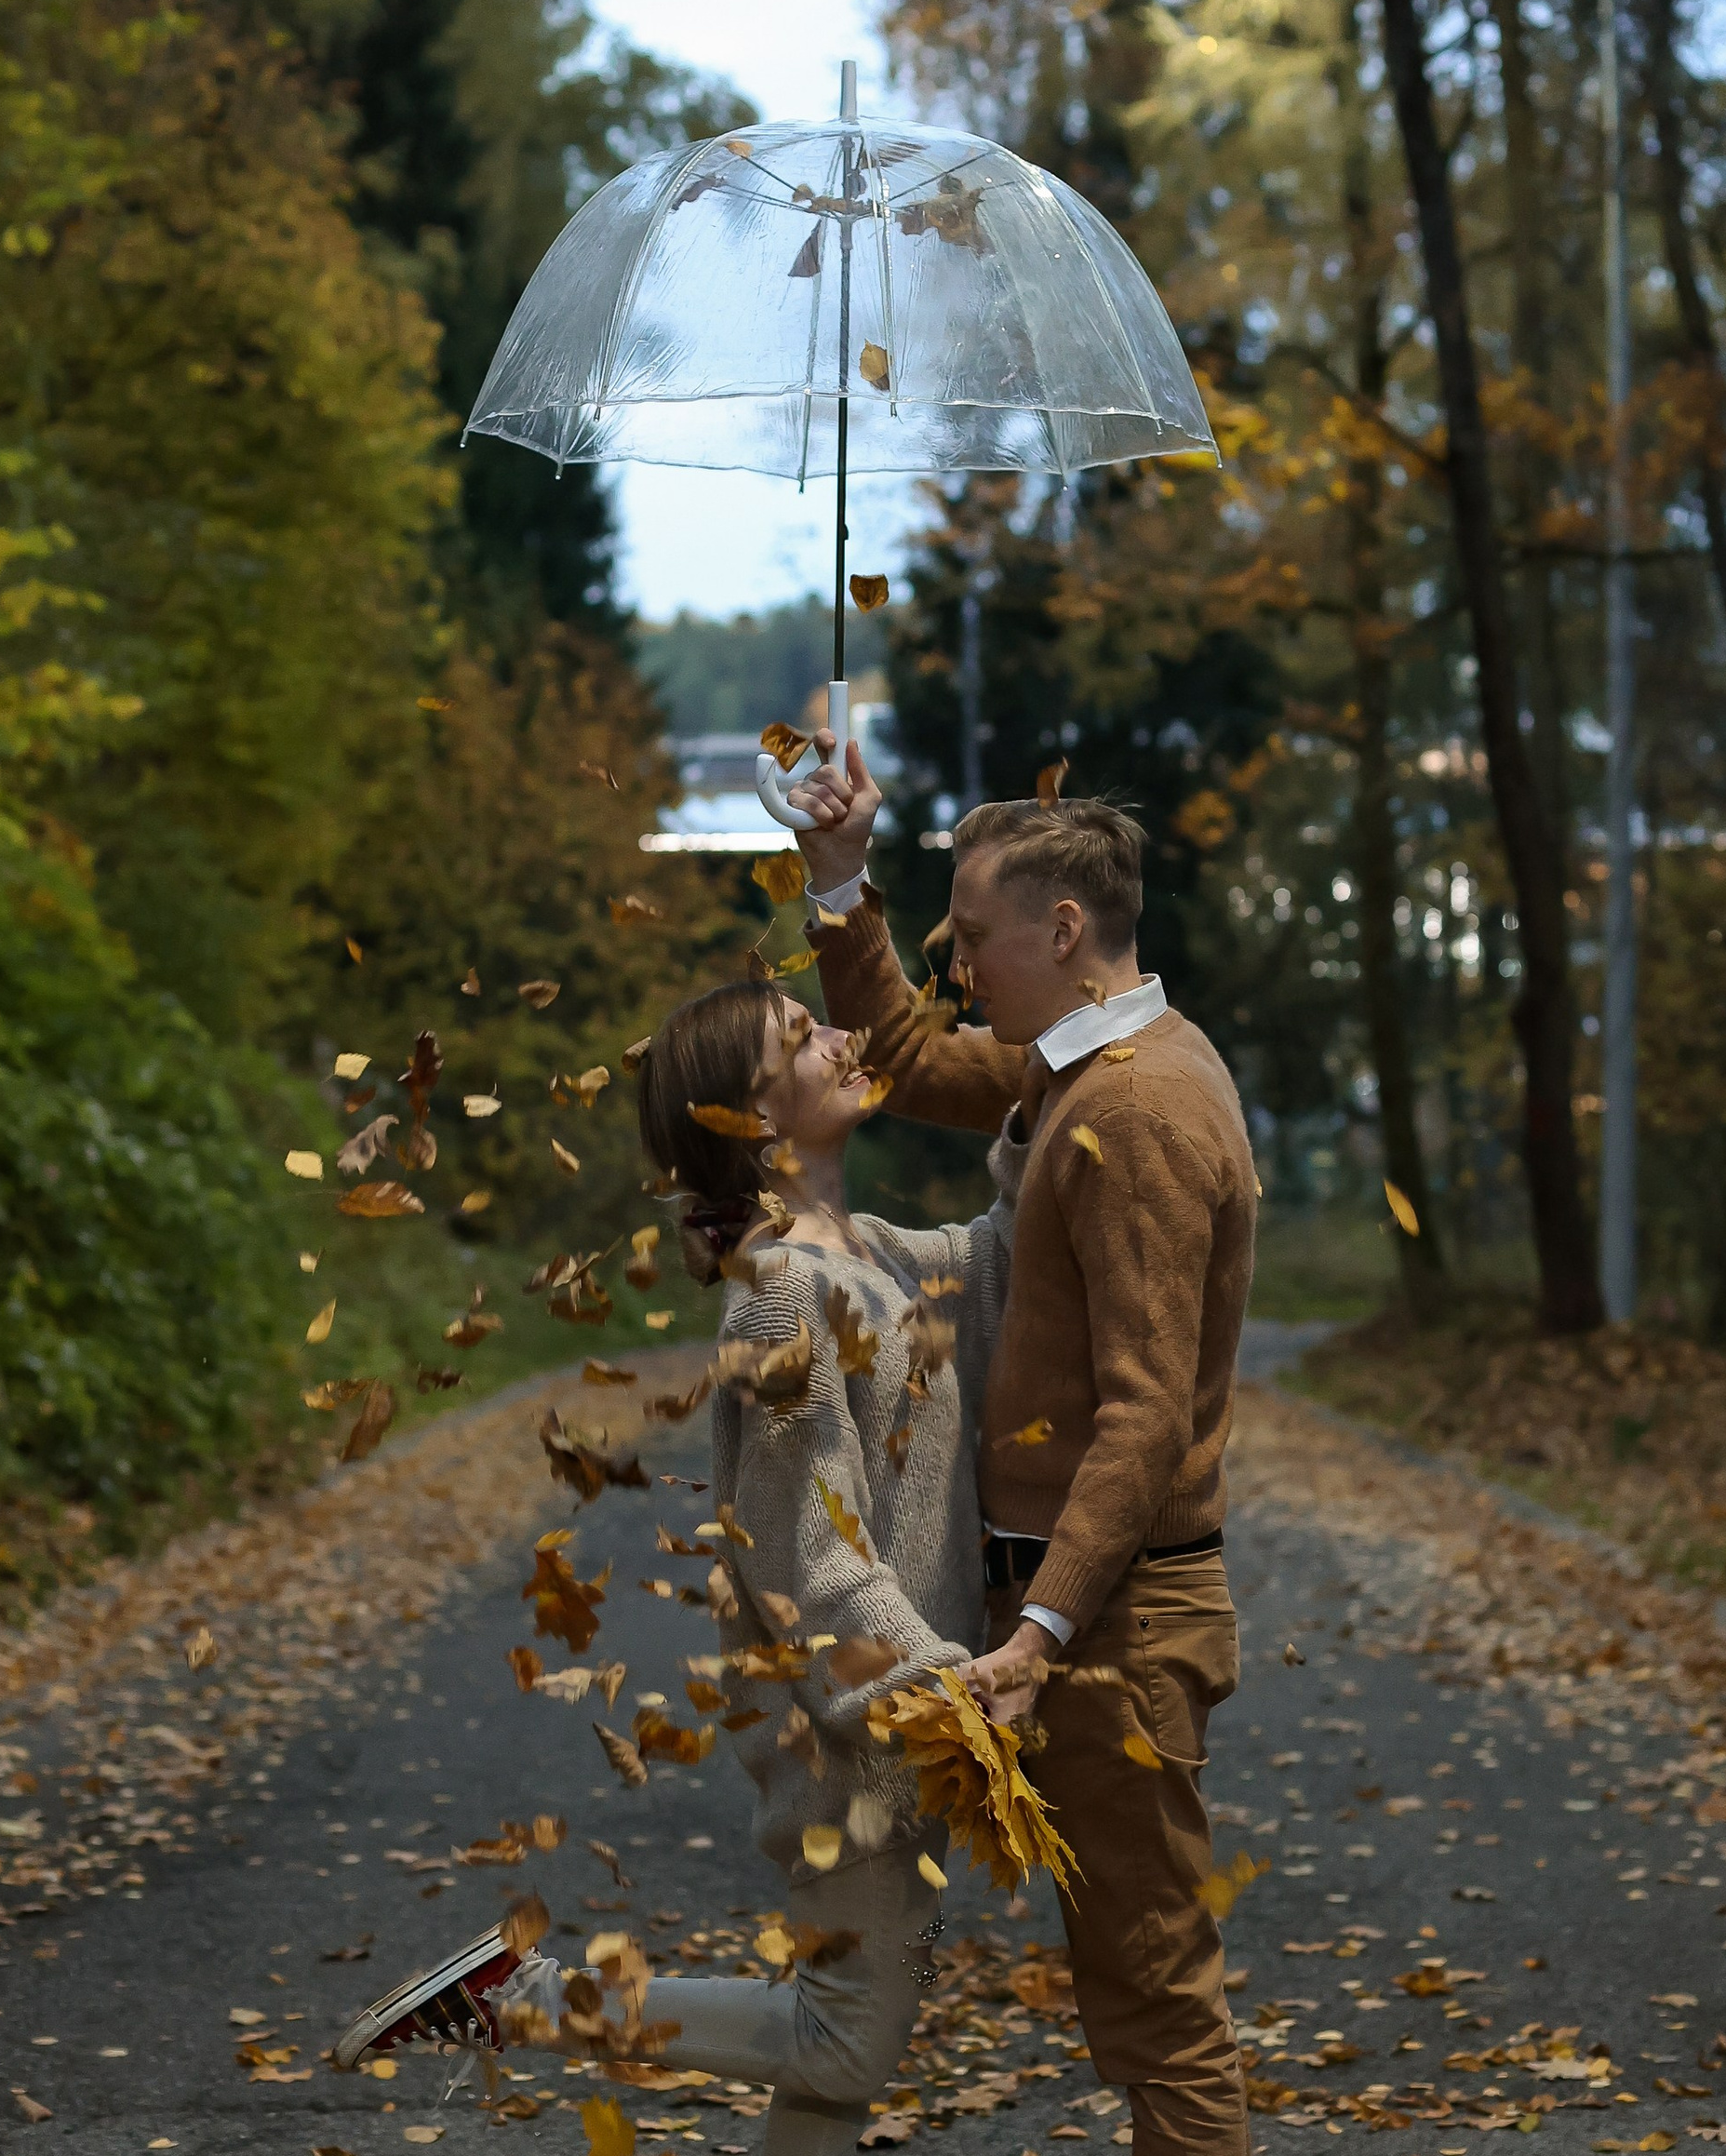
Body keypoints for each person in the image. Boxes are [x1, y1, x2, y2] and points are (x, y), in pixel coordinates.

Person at [333, 981, 1017, 2156]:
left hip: (899, 1717)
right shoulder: (783, 1294)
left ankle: (516, 1997)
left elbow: (999, 1255)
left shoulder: (872, 1254)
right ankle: (520, 1997)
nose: (843, 1038)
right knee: (844, 2038)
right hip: (856, 1731)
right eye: (803, 1038)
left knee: (835, 2068)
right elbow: (815, 1556)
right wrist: (945, 1689)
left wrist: (1051, 1086)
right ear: (745, 1119)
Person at [788, 734, 1259, 2156]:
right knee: (1123, 1995)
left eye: (975, 935)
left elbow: (1147, 1411)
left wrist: (1044, 1629)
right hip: (1062, 1611)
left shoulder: (1139, 1109)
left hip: (1112, 1621)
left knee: (1155, 2007)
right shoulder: (1079, 1072)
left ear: (1064, 930)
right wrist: (840, 880)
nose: (957, 959)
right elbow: (908, 1058)